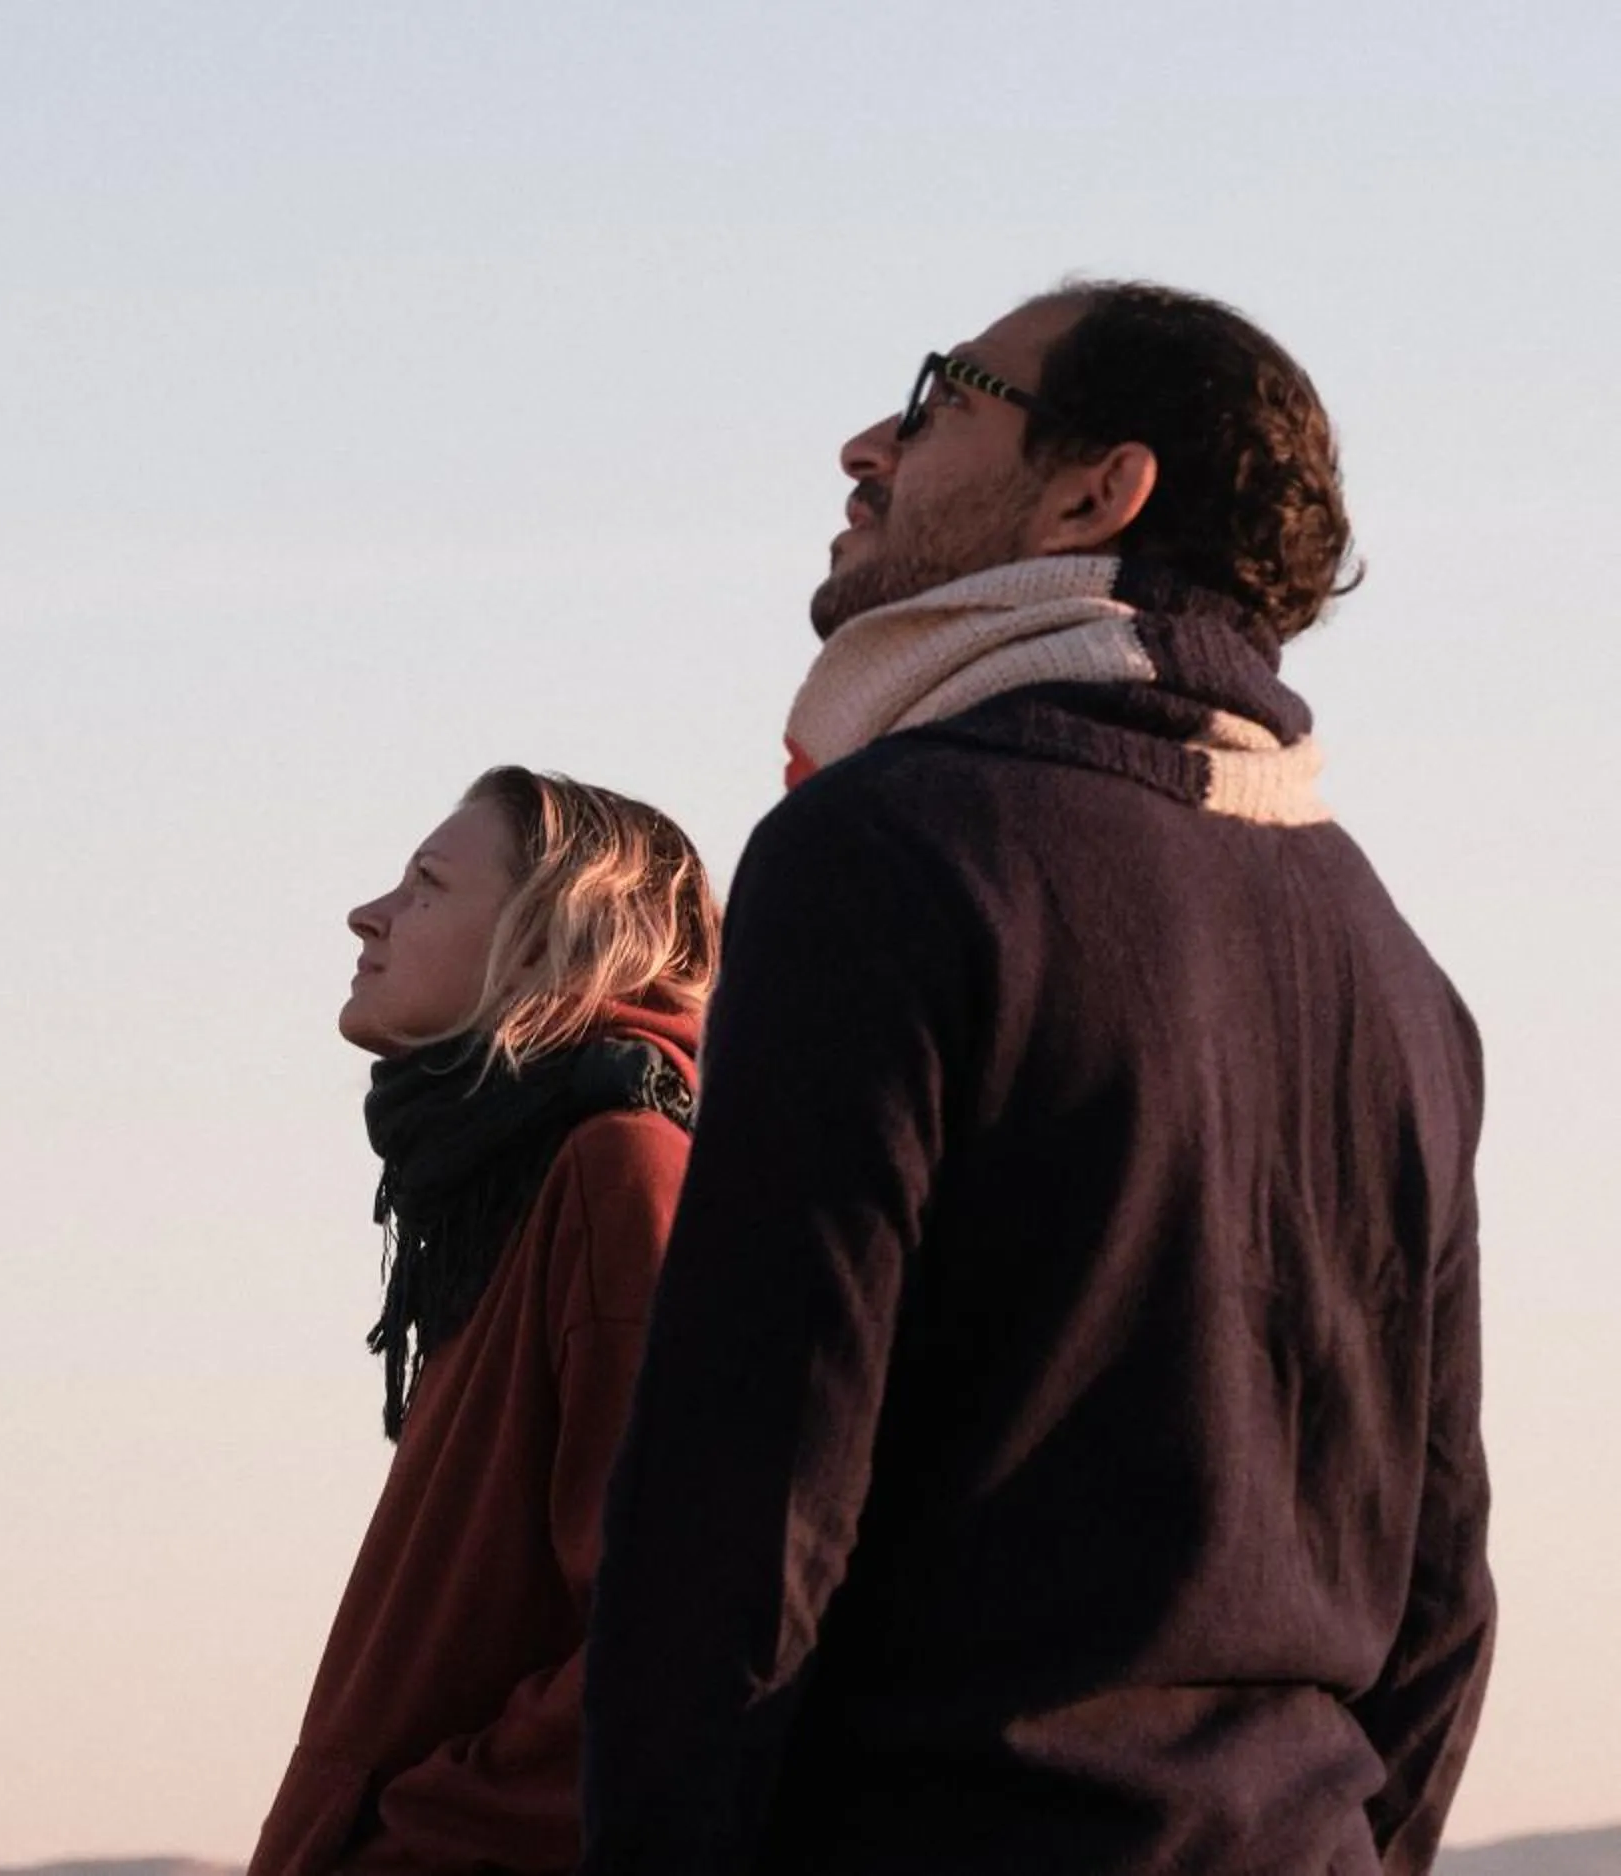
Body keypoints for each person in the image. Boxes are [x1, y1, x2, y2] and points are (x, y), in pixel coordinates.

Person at [579, 282, 1493, 1874]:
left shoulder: (884, 854)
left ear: (1096, 489)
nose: (869, 443)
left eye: (941, 396)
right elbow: (1438, 1598)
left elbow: (744, 1518)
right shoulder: (1401, 971)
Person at [254, 767, 722, 1875]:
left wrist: (405, 1840)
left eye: (425, 884)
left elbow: (680, 1642)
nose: (369, 913)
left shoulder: (623, 1169)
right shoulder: (501, 1183)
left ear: (548, 937)